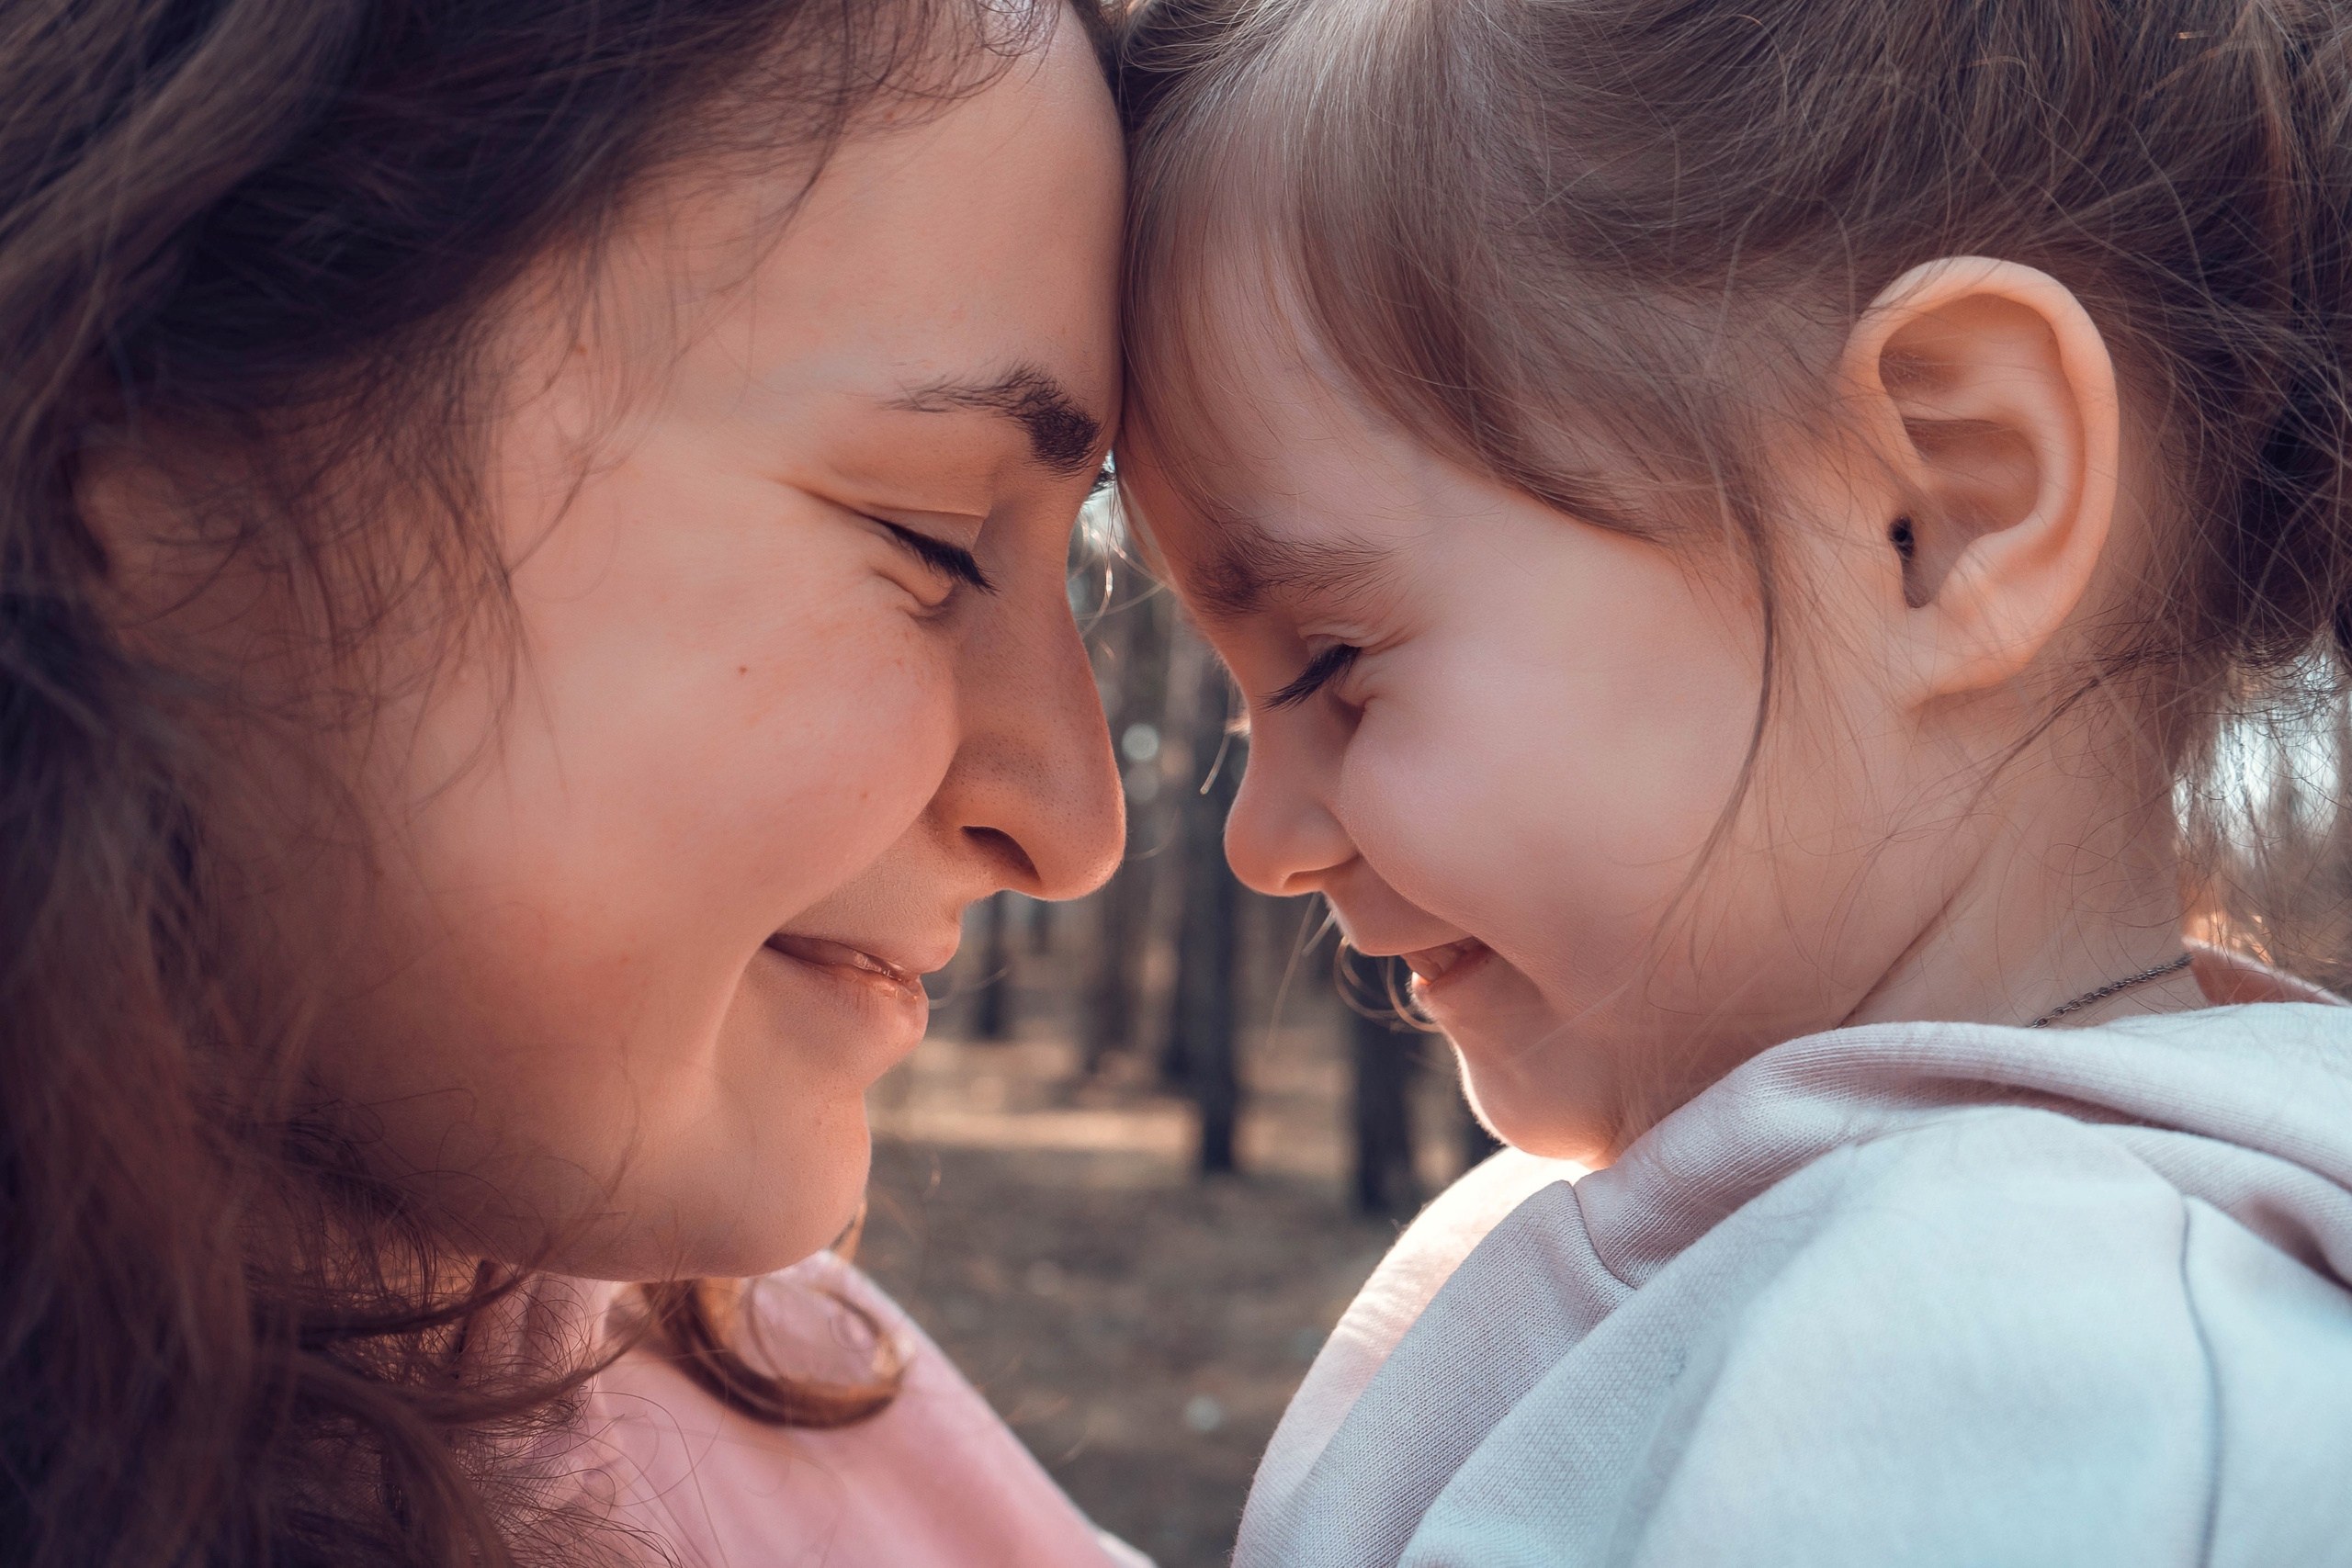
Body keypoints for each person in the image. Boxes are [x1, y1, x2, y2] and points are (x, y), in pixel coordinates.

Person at [1114, 0, 2352, 1562]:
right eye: (1247, 718)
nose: (1263, 842)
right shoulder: (1713, 1232)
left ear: (1940, 512)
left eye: (1331, 667)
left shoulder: (2035, 1380)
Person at [0, 0, 1149, 1563]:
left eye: (1083, 556)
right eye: (931, 538)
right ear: (124, 441)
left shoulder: (860, 1462)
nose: (1077, 823)